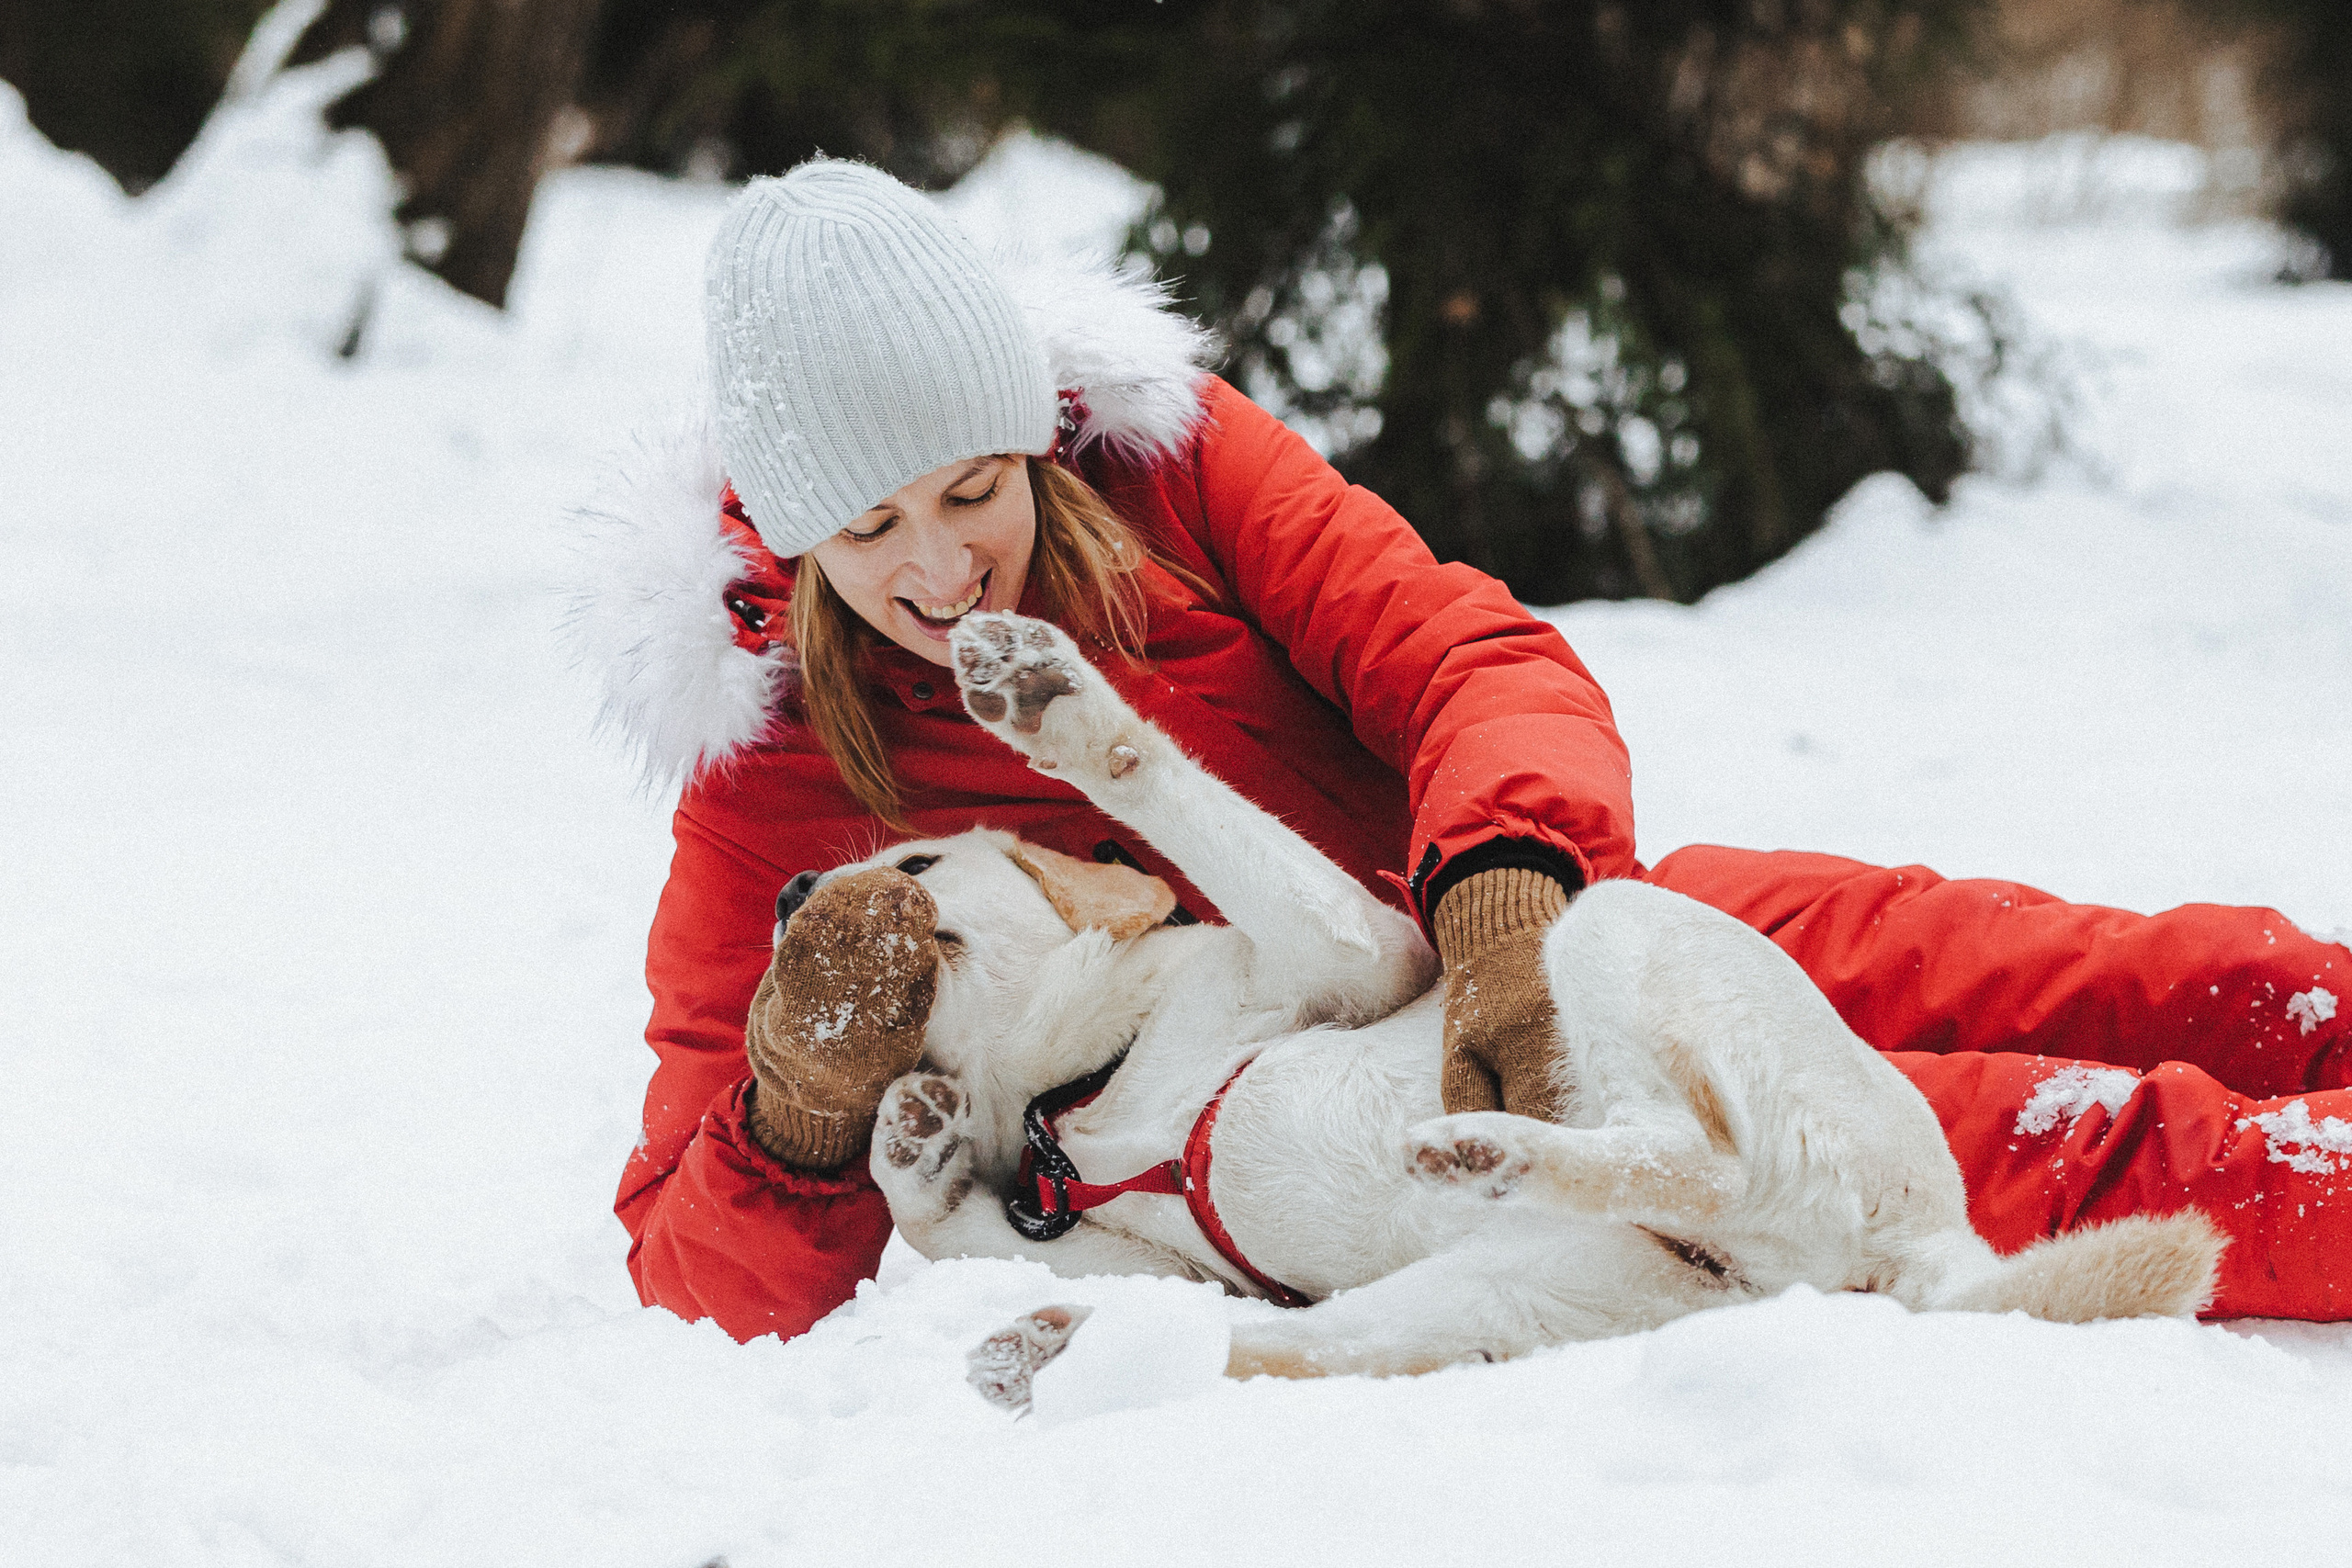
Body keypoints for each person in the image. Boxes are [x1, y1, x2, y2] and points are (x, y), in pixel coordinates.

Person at [574, 160, 2350, 1345]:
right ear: (795, 540)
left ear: (1037, 441)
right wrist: (799, 1114)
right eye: (875, 529)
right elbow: (686, 1274)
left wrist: (1509, 885)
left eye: (978, 490)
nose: (947, 564)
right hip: (1380, 1126)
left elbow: (1460, 654)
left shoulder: (1173, 474)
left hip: (1560, 935)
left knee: (2100, 971)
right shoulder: (773, 784)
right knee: (2054, 1147)